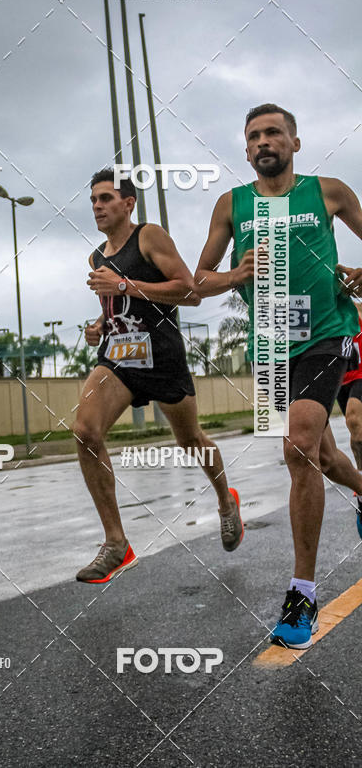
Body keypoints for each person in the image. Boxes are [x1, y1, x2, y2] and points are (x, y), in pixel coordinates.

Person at [195, 102, 362, 648]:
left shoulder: (329, 191)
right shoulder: (231, 205)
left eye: (273, 133)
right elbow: (198, 279)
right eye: (253, 136)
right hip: (270, 348)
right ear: (246, 150)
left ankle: (302, 594)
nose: (262, 142)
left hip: (324, 335)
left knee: (298, 448)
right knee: (322, 456)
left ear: (294, 142)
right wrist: (233, 274)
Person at [73, 168, 244, 585]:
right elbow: (116, 305)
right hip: (118, 358)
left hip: (162, 358)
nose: (97, 206)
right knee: (84, 430)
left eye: (106, 198)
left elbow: (189, 291)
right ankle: (116, 543)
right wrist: (99, 324)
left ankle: (226, 501)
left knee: (191, 442)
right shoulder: (97, 257)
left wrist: (125, 284)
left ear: (128, 204)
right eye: (93, 199)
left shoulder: (149, 236)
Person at [337, 299, 362, 540]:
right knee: (356, 438)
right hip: (341, 378)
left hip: (361, 374)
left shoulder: (355, 306)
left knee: (354, 420)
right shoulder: (325, 311)